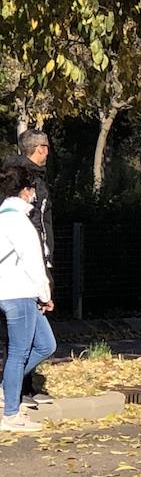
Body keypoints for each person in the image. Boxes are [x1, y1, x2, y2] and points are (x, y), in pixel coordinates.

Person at [0, 163, 56, 433]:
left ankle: (6, 388)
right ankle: (11, 415)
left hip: (10, 292)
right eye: (32, 189)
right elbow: (35, 264)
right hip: (19, 293)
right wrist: (45, 295)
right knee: (19, 352)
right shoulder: (21, 223)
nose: (35, 195)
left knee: (46, 345)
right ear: (25, 191)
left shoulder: (2, 218)